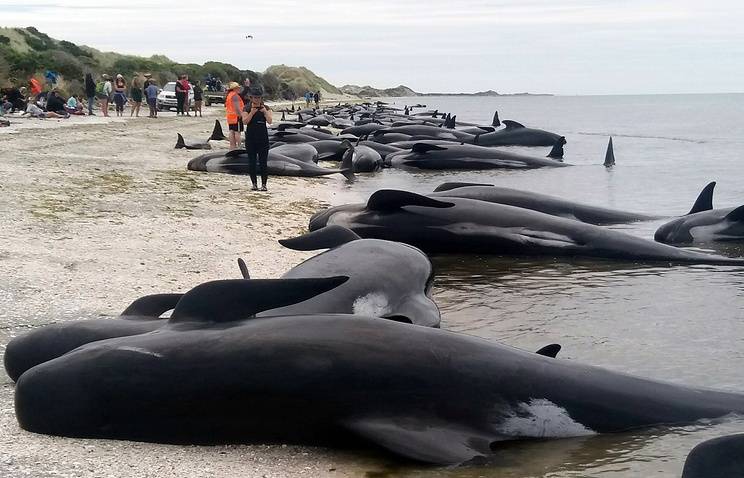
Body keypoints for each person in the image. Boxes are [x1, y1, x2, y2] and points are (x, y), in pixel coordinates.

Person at [241, 86, 272, 191]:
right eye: (255, 97)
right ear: (251, 98)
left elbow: (270, 121)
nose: (257, 99)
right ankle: (254, 184)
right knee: (252, 162)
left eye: (259, 97)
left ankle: (264, 184)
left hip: (263, 138)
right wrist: (252, 113)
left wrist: (264, 112)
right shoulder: (247, 108)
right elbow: (244, 121)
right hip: (251, 138)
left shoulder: (266, 108)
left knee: (263, 162)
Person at [225, 81, 244, 150]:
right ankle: (239, 146)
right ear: (234, 88)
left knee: (231, 130)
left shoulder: (229, 95)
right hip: (236, 116)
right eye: (238, 88)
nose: (239, 89)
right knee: (237, 132)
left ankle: (232, 146)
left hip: (230, 116)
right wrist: (241, 115)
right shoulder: (235, 96)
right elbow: (237, 107)